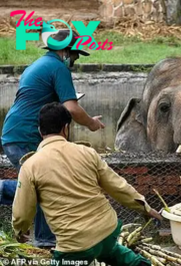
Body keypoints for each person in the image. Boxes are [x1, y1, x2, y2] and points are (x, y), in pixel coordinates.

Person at [12, 102, 162, 265]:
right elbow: (118, 185)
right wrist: (145, 207)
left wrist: (20, 230)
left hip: (74, 245)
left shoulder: (30, 166)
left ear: (40, 131)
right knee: (113, 252)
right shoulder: (88, 153)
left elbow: (22, 211)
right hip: (107, 230)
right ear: (66, 128)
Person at [0, 29, 105, 248]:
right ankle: (45, 241)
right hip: (26, 135)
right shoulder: (58, 68)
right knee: (43, 185)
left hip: (16, 132)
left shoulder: (39, 65)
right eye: (75, 56)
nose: (74, 61)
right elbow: (72, 108)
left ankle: (45, 240)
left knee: (41, 184)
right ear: (67, 51)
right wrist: (92, 124)